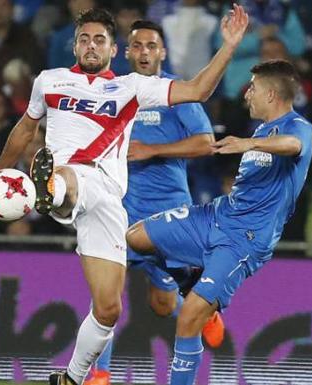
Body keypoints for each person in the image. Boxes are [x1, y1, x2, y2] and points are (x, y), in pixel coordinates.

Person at [0, 5, 249, 385]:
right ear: (75, 47)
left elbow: (198, 89)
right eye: (84, 39)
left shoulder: (131, 87)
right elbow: (24, 130)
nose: (91, 45)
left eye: (99, 40)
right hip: (77, 180)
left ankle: (73, 377)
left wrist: (228, 47)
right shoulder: (50, 81)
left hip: (113, 202)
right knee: (69, 175)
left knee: (109, 309)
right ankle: (50, 188)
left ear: (113, 50)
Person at [125, 59, 312, 385]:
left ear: (270, 94)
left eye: (253, 88)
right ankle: (190, 282)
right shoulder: (262, 128)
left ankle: (199, 310)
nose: (247, 95)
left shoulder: (298, 127)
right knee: (136, 236)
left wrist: (248, 144)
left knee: (187, 318)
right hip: (216, 215)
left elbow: (293, 146)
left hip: (243, 240)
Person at [85, 20, 223, 385]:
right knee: (106, 294)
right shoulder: (114, 92)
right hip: (120, 211)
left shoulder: (175, 94)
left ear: (162, 52)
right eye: (138, 46)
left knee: (162, 305)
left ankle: (203, 306)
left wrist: (152, 150)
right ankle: (99, 373)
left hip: (168, 215)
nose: (144, 52)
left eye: (151, 45)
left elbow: (206, 142)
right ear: (126, 52)